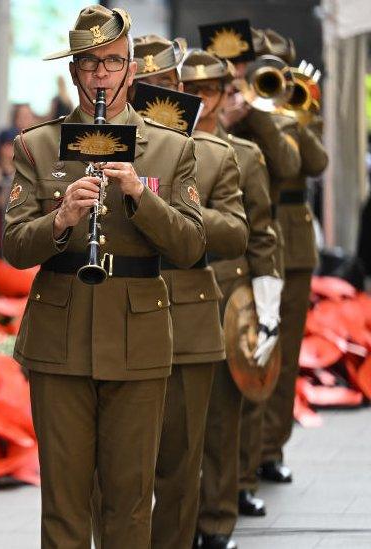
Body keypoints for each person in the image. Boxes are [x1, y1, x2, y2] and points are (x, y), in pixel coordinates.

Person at [3, 6, 205, 546]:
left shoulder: (171, 146)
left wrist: (142, 196)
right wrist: (62, 218)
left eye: (112, 63)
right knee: (64, 504)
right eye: (89, 63)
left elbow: (190, 247)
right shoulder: (37, 145)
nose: (100, 76)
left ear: (131, 70)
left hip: (138, 337)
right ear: (73, 71)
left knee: (130, 500)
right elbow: (15, 248)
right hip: (60, 335)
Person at [128, 35, 249, 549]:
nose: (160, 96)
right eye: (147, 87)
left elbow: (238, 233)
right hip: (125, 310)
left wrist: (175, 210)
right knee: (121, 463)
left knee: (181, 460)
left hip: (188, 314)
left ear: (180, 89)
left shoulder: (214, 154)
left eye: (167, 85)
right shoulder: (107, 146)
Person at [180, 49, 280, 549]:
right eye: (189, 90)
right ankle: (178, 523)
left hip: (226, 293)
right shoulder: (161, 147)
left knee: (221, 416)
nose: (198, 99)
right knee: (174, 424)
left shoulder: (243, 154)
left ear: (223, 94)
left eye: (207, 90)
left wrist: (268, 307)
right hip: (171, 293)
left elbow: (261, 234)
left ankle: (217, 521)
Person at [206, 23, 301, 518]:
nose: (239, 79)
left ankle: (254, 465)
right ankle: (225, 486)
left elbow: (299, 162)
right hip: (217, 263)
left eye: (246, 70)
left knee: (257, 371)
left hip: (258, 252)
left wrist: (258, 116)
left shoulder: (270, 113)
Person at [253, 28, 327, 492]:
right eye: (266, 72)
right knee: (253, 348)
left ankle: (270, 449)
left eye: (280, 72)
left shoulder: (300, 106)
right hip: (257, 236)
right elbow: (277, 164)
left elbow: (313, 163)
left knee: (287, 353)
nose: (274, 81)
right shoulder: (245, 116)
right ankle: (246, 449)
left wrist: (297, 116)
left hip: (294, 243)